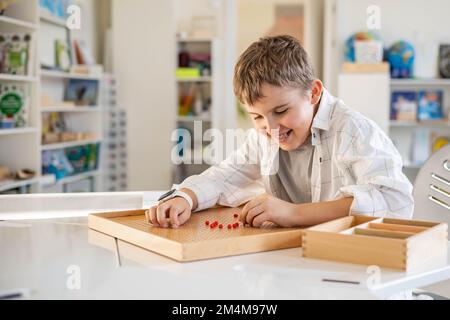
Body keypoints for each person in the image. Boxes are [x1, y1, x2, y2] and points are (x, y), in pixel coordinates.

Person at [147, 35, 413, 229]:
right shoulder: (264, 137)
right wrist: (185, 197)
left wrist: (295, 214)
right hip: (295, 261)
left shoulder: (353, 130)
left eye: (281, 110)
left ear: (314, 92)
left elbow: (396, 201)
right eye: (257, 117)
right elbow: (224, 177)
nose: (271, 127)